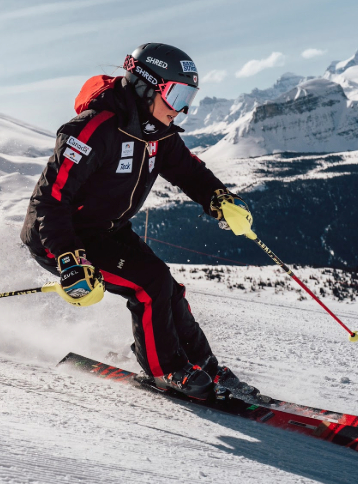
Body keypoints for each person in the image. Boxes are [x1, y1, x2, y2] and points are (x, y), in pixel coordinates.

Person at [21, 43, 253, 400]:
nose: (182, 108)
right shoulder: (94, 130)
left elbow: (188, 171)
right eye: (175, 94)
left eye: (188, 96)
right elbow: (50, 201)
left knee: (168, 290)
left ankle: (205, 365)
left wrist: (218, 198)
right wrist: (69, 257)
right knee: (150, 285)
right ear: (145, 86)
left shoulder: (157, 131)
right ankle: (166, 371)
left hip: (107, 230)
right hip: (62, 237)